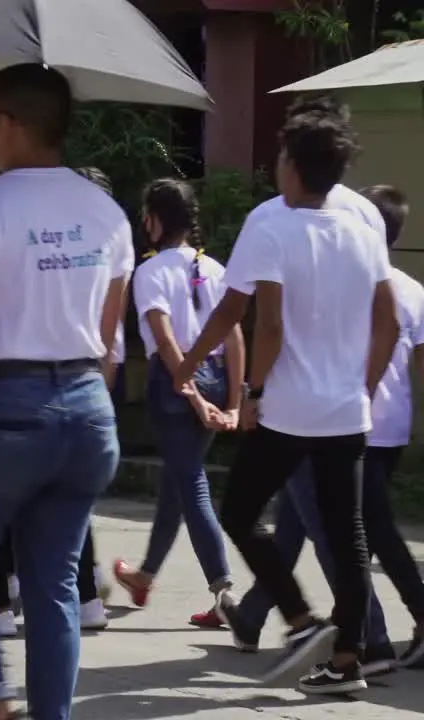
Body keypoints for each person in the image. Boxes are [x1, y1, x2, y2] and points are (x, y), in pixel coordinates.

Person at [0, 64, 132, 720]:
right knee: (54, 583)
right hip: (88, 407)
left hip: (5, 407)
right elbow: (106, 335)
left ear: (8, 123)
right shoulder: (107, 212)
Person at [175, 101, 396, 694]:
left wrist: (244, 389)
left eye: (279, 155)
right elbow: (389, 324)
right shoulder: (364, 226)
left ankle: (300, 621)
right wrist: (363, 387)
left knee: (240, 513)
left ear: (294, 166)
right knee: (347, 534)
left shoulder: (271, 225)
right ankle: (346, 660)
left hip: (289, 409)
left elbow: (255, 320)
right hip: (347, 410)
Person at [217, 184, 424, 673]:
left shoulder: (337, 273)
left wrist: (254, 391)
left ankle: (365, 640)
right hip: (378, 421)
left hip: (332, 417)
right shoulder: (409, 289)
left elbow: (271, 326)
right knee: (299, 516)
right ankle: (256, 615)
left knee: (347, 528)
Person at [112, 178, 243, 627]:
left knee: (191, 484)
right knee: (178, 480)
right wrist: (233, 400)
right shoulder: (217, 268)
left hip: (174, 384)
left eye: (145, 213)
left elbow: (166, 342)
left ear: (155, 219)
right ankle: (145, 575)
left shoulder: (150, 272)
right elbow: (235, 336)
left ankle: (223, 590)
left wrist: (190, 395)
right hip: (217, 377)